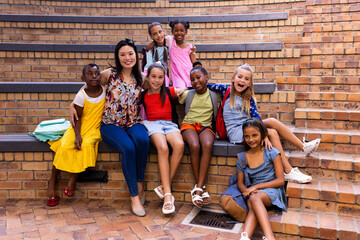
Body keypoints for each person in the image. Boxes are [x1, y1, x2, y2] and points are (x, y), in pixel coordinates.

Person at [71, 39, 149, 217]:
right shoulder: (109, 74)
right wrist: (72, 104)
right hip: (110, 124)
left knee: (142, 140)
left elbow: (159, 89)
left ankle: (140, 183)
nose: (127, 58)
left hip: (133, 122)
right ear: (118, 57)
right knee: (128, 148)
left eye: (130, 54)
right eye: (122, 54)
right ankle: (134, 196)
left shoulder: (141, 78)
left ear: (136, 56)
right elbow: (86, 87)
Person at [208, 64, 321, 184]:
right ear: (233, 78)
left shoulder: (248, 97)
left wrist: (262, 133)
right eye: (239, 77)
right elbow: (203, 83)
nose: (242, 80)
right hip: (236, 132)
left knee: (272, 124)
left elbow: (256, 117)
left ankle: (303, 148)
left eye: (247, 79)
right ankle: (288, 171)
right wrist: (187, 88)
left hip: (248, 126)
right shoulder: (225, 90)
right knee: (272, 131)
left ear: (250, 83)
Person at [47, 64, 105, 207]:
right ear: (82, 77)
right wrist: (77, 135)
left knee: (85, 145)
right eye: (89, 74)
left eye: (97, 74)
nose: (94, 77)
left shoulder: (105, 90)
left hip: (95, 128)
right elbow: (77, 118)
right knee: (65, 145)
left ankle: (73, 179)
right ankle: (53, 180)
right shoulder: (81, 95)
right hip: (79, 126)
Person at [140, 63, 184, 215]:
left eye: (160, 77)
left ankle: (163, 186)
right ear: (148, 77)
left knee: (179, 144)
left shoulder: (168, 91)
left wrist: (181, 91)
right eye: (153, 77)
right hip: (152, 125)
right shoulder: (143, 94)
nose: (156, 81)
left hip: (169, 125)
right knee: (163, 148)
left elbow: (184, 89)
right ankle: (167, 196)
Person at [238, 119, 286, 240]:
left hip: (272, 190)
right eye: (247, 136)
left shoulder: (272, 152)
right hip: (254, 193)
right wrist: (247, 191)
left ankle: (270, 237)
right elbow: (240, 183)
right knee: (253, 200)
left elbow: (280, 180)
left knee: (254, 199)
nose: (251, 139)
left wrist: (256, 188)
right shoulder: (242, 157)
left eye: (255, 135)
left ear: (262, 135)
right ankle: (245, 238)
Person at [179, 65, 219, 208]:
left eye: (198, 77)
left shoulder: (214, 95)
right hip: (189, 125)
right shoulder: (188, 95)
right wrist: (183, 89)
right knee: (194, 146)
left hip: (205, 126)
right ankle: (201, 189)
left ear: (206, 78)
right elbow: (176, 94)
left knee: (207, 144)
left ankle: (199, 187)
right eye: (192, 80)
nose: (195, 81)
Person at [146, 19, 196, 88]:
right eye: (176, 30)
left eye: (182, 30)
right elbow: (160, 38)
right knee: (181, 91)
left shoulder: (190, 47)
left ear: (186, 32)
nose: (179, 33)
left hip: (189, 73)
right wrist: (153, 42)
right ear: (172, 32)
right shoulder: (170, 41)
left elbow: (194, 62)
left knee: (191, 91)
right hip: (177, 75)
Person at [142, 22, 170, 86]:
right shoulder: (150, 49)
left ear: (163, 31)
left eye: (160, 32)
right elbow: (149, 65)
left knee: (166, 81)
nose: (159, 35)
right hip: (150, 71)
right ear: (151, 37)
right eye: (155, 34)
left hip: (161, 71)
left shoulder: (168, 45)